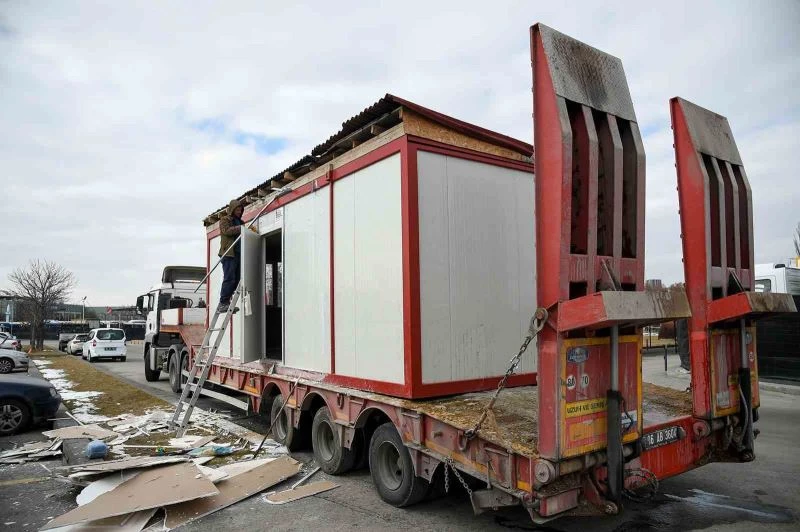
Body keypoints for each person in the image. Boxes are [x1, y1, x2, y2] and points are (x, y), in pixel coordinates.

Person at [218, 199, 244, 312]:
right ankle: (223, 303)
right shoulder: (225, 220)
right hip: (229, 254)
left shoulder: (241, 222)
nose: (239, 211)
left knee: (237, 279)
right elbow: (226, 231)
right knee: (229, 278)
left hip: (239, 254)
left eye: (240, 210)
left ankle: (227, 301)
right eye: (237, 209)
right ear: (232, 209)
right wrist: (241, 228)